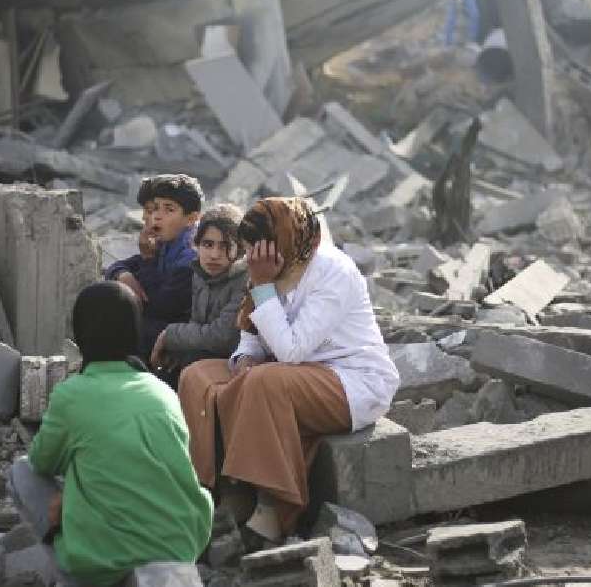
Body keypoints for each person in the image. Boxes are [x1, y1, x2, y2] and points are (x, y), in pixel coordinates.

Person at [177, 198, 399, 545]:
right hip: (286, 372)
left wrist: (263, 284)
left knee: (265, 381)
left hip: (349, 379)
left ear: (286, 243)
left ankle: (271, 508)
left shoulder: (333, 271)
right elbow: (251, 337)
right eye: (251, 252)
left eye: (261, 252)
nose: (254, 261)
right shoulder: (266, 267)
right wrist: (243, 359)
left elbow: (292, 350)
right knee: (198, 376)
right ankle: (224, 489)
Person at [7, 281, 213, 587]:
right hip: (178, 546)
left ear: (80, 335)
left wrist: (70, 497)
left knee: (22, 471)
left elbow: (42, 463)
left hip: (101, 559)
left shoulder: (72, 394)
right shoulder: (162, 392)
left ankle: (75, 575)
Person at [149, 203, 248, 389]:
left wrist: (170, 335)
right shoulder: (200, 273)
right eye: (208, 244)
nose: (214, 255)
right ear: (197, 244)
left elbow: (222, 337)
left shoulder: (245, 279)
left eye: (225, 246)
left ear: (240, 248)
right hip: (204, 353)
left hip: (236, 361)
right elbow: (197, 323)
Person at [105, 174, 203, 357]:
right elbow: (122, 265)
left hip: (186, 334)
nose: (155, 217)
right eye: (155, 209)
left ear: (191, 219)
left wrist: (148, 259)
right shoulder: (167, 242)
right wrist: (123, 274)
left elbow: (158, 307)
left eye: (168, 210)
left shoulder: (191, 255)